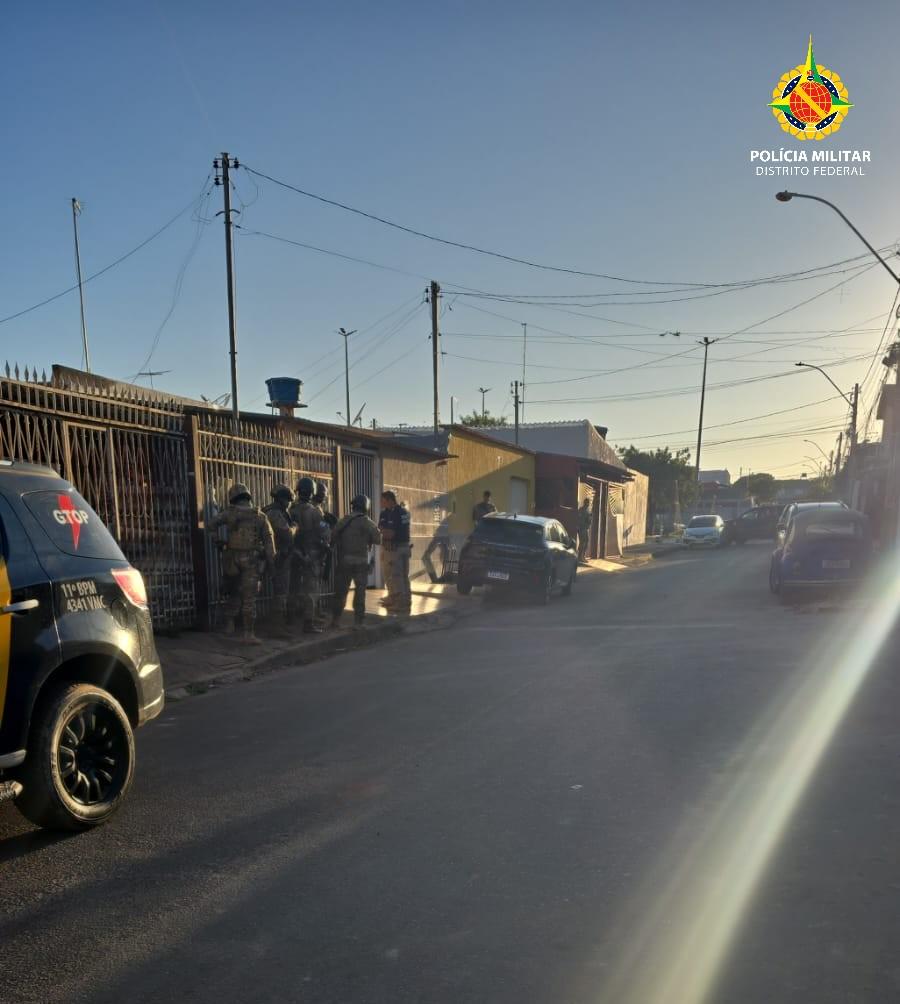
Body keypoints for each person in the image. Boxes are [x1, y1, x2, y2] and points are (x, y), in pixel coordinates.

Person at [207, 483, 276, 644]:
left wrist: (218, 541)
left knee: (233, 592)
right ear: (248, 497)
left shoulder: (229, 514)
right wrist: (271, 563)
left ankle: (229, 625)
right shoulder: (259, 516)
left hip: (231, 559)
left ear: (233, 498)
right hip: (251, 561)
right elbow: (269, 541)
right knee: (249, 597)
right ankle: (248, 634)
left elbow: (210, 525)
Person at [331, 494, 381, 628]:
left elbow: (333, 535)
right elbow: (378, 539)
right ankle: (358, 622)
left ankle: (335, 620)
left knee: (341, 592)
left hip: (344, 560)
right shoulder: (367, 522)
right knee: (360, 592)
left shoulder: (344, 520)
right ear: (366, 507)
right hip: (361, 562)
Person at [289, 476, 325, 634]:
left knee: (294, 586)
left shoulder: (290, 509)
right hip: (310, 554)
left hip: (293, 553)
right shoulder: (314, 511)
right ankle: (308, 623)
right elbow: (324, 533)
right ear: (312, 492)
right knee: (310, 589)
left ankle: (290, 619)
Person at [263, 483, 296, 630]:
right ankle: (277, 627)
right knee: (281, 592)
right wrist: (295, 527)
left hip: (272, 555)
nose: (289, 503)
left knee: (278, 591)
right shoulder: (275, 513)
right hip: (279, 557)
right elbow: (287, 533)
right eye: (288, 500)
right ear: (282, 499)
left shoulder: (269, 510)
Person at [378, 490, 411, 615]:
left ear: (390, 500)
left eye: (383, 501)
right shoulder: (400, 512)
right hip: (402, 547)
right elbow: (381, 527)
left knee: (396, 576)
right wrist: (384, 530)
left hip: (395, 549)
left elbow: (389, 533)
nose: (381, 503)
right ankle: (403, 600)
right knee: (401, 576)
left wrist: (384, 530)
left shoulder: (396, 513)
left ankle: (400, 604)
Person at [577, 496, 592, 563]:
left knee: (585, 542)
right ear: (585, 503)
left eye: (589, 503)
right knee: (583, 542)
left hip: (585, 528)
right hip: (582, 528)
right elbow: (580, 520)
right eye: (587, 502)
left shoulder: (587, 510)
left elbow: (589, 519)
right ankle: (580, 557)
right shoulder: (581, 510)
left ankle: (582, 556)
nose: (588, 504)